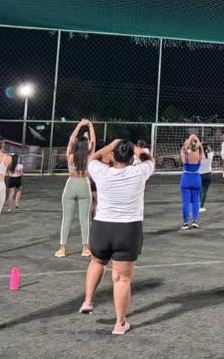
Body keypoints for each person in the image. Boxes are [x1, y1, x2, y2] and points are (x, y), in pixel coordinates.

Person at [80, 139, 155, 335]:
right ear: (131, 157)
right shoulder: (139, 172)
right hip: (128, 230)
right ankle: (120, 324)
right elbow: (149, 158)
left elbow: (93, 158)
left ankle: (88, 300)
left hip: (102, 227)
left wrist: (112, 145)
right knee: (121, 279)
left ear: (113, 156)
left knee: (97, 262)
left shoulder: (101, 171)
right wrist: (134, 148)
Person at [56, 120, 94, 258]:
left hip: (71, 184)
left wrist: (79, 125)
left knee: (66, 218)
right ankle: (85, 249)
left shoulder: (70, 156)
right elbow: (93, 142)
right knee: (84, 219)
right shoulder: (89, 157)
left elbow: (71, 139)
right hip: (84, 184)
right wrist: (90, 126)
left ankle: (62, 249)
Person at [180, 134, 203, 230]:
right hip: (196, 179)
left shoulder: (185, 155)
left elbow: (184, 148)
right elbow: (200, 147)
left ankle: (185, 223)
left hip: (186, 179)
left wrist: (189, 139)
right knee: (196, 201)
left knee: (186, 202)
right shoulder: (199, 154)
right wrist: (195, 138)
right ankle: (195, 221)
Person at [199, 143, 214, 212]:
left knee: (200, 190)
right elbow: (211, 150)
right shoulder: (211, 154)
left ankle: (198, 205)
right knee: (204, 191)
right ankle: (201, 207)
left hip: (199, 174)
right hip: (208, 174)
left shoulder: (198, 155)